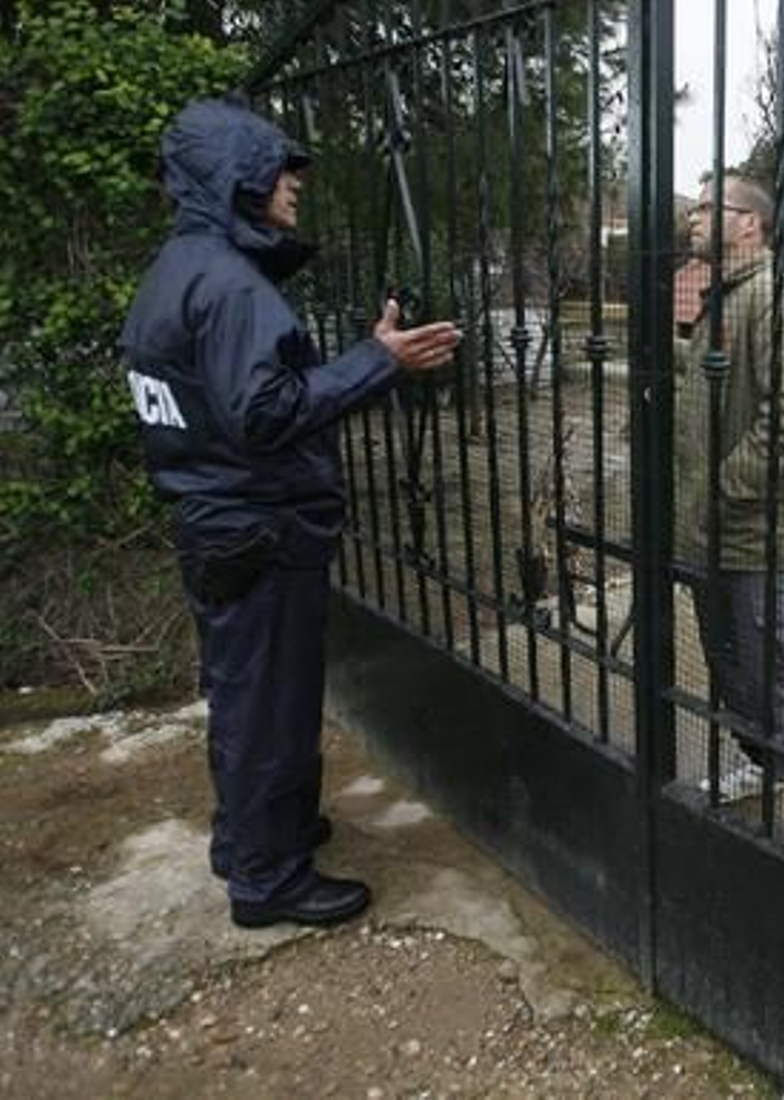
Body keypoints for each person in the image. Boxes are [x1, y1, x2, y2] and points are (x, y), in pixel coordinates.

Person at [119, 96, 461, 929]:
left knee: (242, 691)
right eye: (280, 169)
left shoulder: (179, 271)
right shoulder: (231, 286)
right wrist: (376, 363)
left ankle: (252, 837)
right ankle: (269, 879)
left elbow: (225, 398)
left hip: (217, 524)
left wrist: (362, 356)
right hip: (258, 528)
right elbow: (265, 413)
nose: (294, 184)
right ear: (234, 176)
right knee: (268, 702)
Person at [675, 174, 784, 856]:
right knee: (731, 669)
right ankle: (763, 763)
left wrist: (722, 487)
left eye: (711, 208)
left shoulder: (774, 302)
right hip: (711, 536)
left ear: (749, 226)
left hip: (758, 537)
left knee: (776, 671)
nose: (694, 217)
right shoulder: (721, 304)